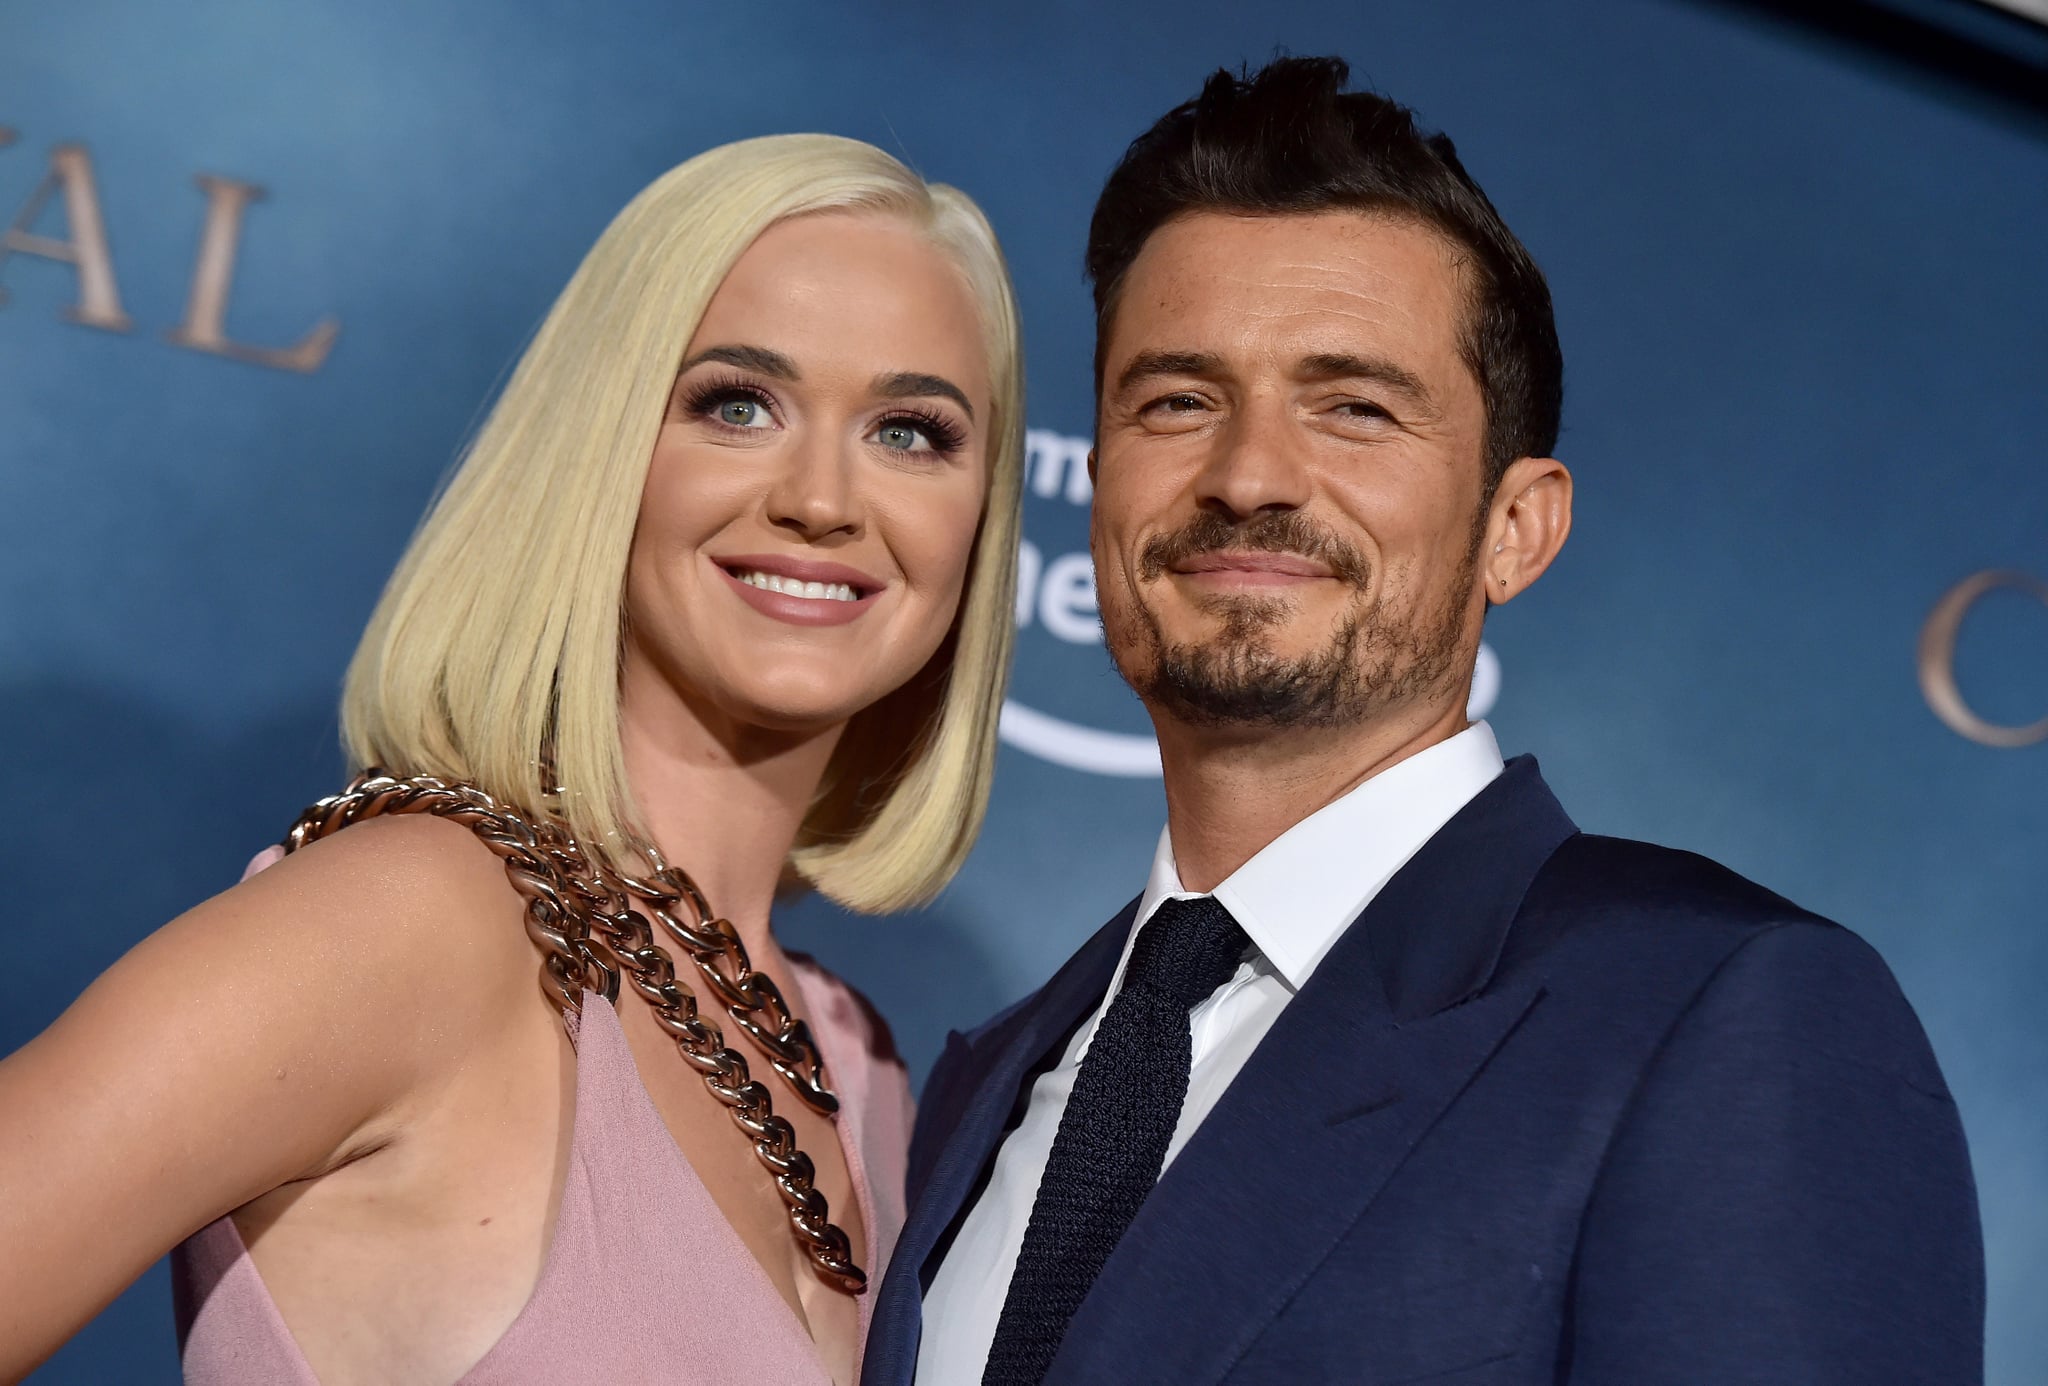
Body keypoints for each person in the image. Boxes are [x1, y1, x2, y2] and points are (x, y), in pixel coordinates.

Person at [864, 57, 1983, 1386]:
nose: (1249, 474)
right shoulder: (980, 1089)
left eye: (1355, 407)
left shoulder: (1719, 1015)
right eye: (1178, 401)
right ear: (1100, 485)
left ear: (1519, 526)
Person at [0, 133, 1024, 1386]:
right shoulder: (406, 924)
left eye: (911, 431)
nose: (824, 497)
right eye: (735, 404)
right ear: (601, 455)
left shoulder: (853, 1061)